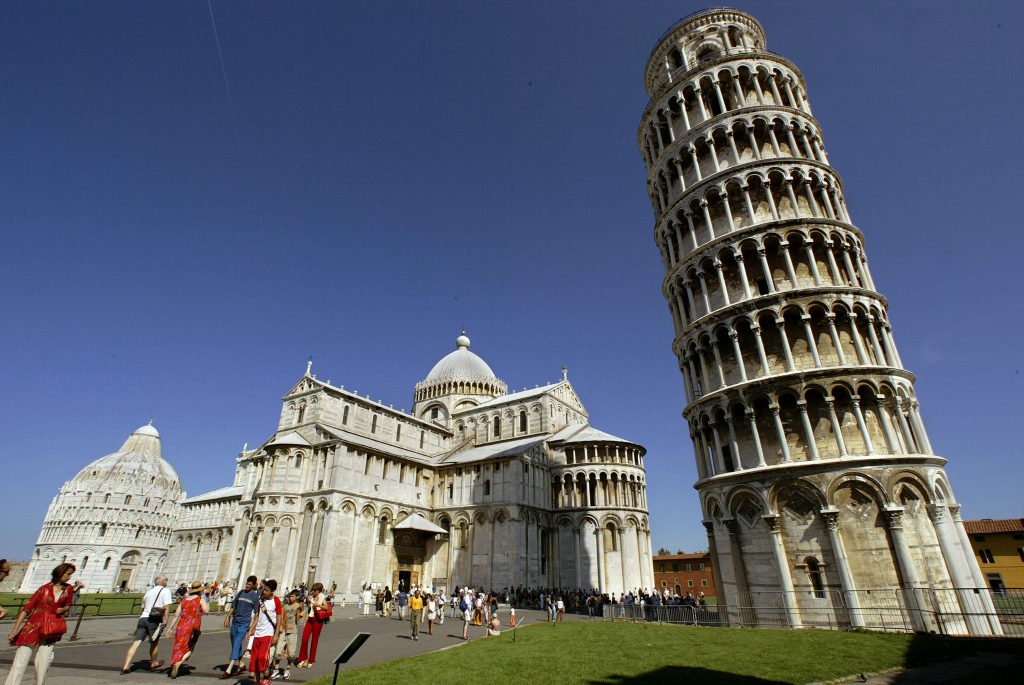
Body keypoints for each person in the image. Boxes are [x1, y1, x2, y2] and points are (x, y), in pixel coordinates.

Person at [5, 563, 81, 685]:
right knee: (20, 662)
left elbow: (67, 605)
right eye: (68, 574)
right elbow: (26, 609)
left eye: (71, 574)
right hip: (32, 628)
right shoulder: (43, 589)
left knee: (43, 663)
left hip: (51, 629)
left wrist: (62, 610)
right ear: (60, 573)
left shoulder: (68, 589)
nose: (70, 577)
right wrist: (15, 629)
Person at [121, 575, 173, 674]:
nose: (167, 581)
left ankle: (126, 666)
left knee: (136, 643)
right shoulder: (165, 590)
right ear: (162, 581)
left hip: (143, 618)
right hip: (155, 620)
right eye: (166, 580)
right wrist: (165, 620)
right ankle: (154, 662)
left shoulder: (149, 592)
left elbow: (143, 607)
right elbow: (166, 607)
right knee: (154, 643)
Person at [166, 582, 209, 679]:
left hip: (181, 626)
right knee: (190, 647)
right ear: (200, 591)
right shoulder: (200, 600)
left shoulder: (184, 600)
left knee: (178, 645)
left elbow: (176, 615)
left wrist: (170, 628)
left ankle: (175, 662)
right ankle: (179, 662)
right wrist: (205, 601)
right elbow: (206, 611)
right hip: (193, 627)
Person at [220, 576, 259, 679]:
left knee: (237, 644)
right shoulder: (241, 593)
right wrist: (227, 617)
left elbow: (256, 614)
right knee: (235, 645)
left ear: (254, 585)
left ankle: (228, 669)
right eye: (247, 583)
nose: (247, 585)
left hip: (244, 624)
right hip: (235, 623)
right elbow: (233, 606)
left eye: (250, 584)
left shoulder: (255, 597)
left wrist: (251, 628)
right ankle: (241, 665)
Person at [244, 580, 281, 685]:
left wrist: (276, 634)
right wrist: (251, 629)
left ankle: (266, 676)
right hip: (258, 633)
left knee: (262, 657)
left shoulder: (276, 601)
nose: (264, 591)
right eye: (264, 589)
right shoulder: (261, 600)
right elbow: (258, 616)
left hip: (268, 633)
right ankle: (256, 680)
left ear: (272, 591)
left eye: (267, 590)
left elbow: (279, 618)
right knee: (254, 658)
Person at [270, 590, 302, 681]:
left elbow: (298, 619)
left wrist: (299, 610)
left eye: (293, 596)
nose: (291, 598)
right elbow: (281, 617)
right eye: (290, 596)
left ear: (296, 597)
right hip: (284, 631)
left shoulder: (298, 606)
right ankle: (276, 669)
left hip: (293, 631)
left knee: (291, 653)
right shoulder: (285, 606)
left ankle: (288, 669)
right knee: (278, 651)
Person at [296, 582, 328, 669]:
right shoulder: (311, 597)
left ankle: (311, 660)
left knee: (314, 640)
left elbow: (326, 608)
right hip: (310, 619)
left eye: (315, 590)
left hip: (318, 620)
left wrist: (318, 605)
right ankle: (303, 658)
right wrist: (305, 622)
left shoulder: (322, 597)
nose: (313, 591)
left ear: (319, 590)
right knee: (304, 638)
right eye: (313, 589)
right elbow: (309, 610)